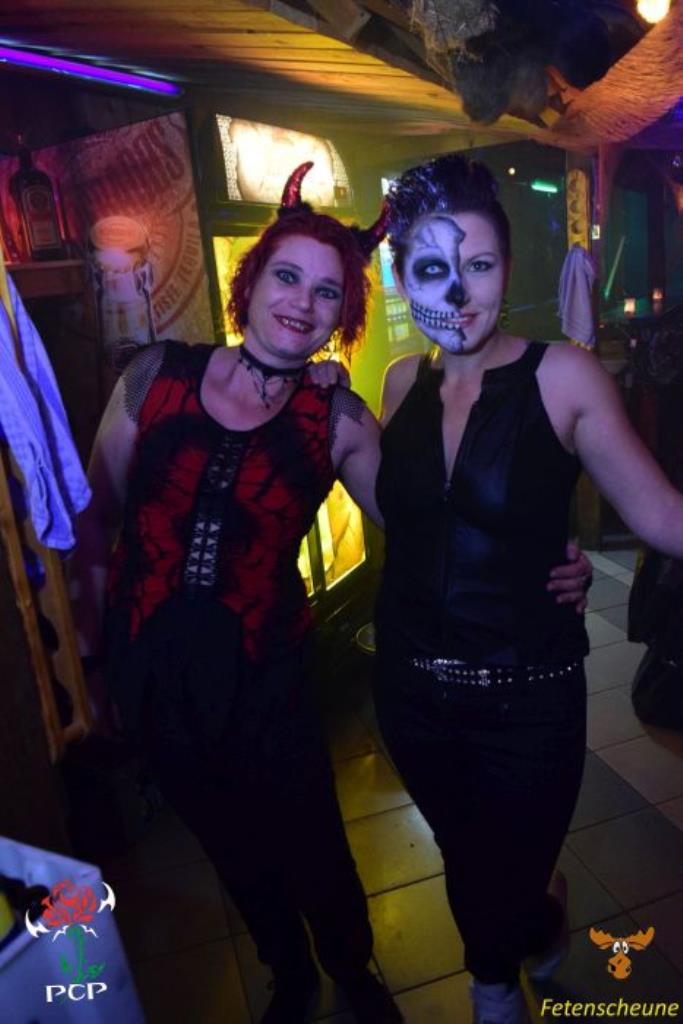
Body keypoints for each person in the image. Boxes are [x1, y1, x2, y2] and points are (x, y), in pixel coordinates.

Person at [68, 162, 589, 1024]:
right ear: (249, 282)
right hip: (147, 668)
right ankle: (288, 974)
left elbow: (429, 514)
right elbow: (92, 526)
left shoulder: (336, 415)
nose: (300, 303)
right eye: (287, 277)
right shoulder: (154, 374)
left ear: (343, 314)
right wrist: (90, 667)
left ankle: (352, 971)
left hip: (268, 670)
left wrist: (550, 553)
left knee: (312, 839)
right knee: (227, 843)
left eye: (326, 291)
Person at [372, 152, 683, 1024]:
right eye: (431, 269)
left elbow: (663, 518)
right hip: (410, 692)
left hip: (527, 697)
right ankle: (518, 950)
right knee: (468, 858)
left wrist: (554, 551)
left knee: (500, 878)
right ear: (400, 277)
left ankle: (495, 986)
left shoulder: (564, 375)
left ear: (506, 267)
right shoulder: (399, 382)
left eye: (477, 264)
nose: (458, 292)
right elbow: (407, 517)